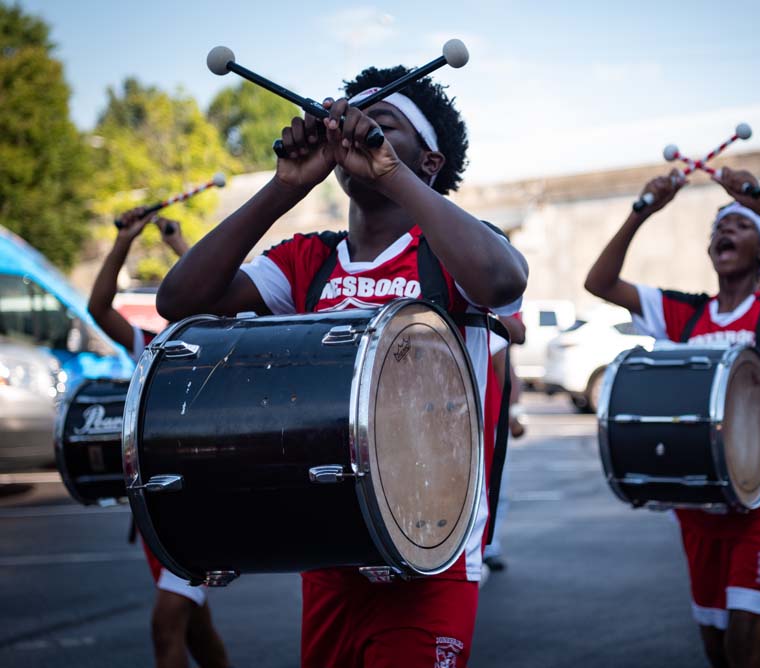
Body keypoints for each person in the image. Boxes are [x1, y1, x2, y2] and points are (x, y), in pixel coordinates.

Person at [156, 66, 528, 667]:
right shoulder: (308, 259)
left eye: (381, 127)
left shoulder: (454, 248)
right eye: (351, 127)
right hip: (330, 551)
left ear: (428, 162)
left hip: (431, 555)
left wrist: (393, 174)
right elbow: (179, 301)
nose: (358, 136)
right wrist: (284, 186)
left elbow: (503, 281)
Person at [584, 167, 760, 668]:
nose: (725, 229)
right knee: (716, 647)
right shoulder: (684, 314)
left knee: (747, 645)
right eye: (719, 226)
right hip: (698, 504)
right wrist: (643, 210)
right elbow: (599, 282)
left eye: (741, 225)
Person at [88, 208, 231, 668]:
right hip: (158, 512)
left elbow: (221, 290)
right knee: (197, 631)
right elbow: (98, 309)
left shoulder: (222, 352)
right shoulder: (154, 349)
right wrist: (123, 241)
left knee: (166, 624)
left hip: (198, 516)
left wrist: (179, 245)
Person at [483, 312, 527, 580]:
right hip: (454, 419)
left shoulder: (489, 321)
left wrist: (514, 414)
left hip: (491, 420)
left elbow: (508, 369)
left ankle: (490, 546)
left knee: (495, 485)